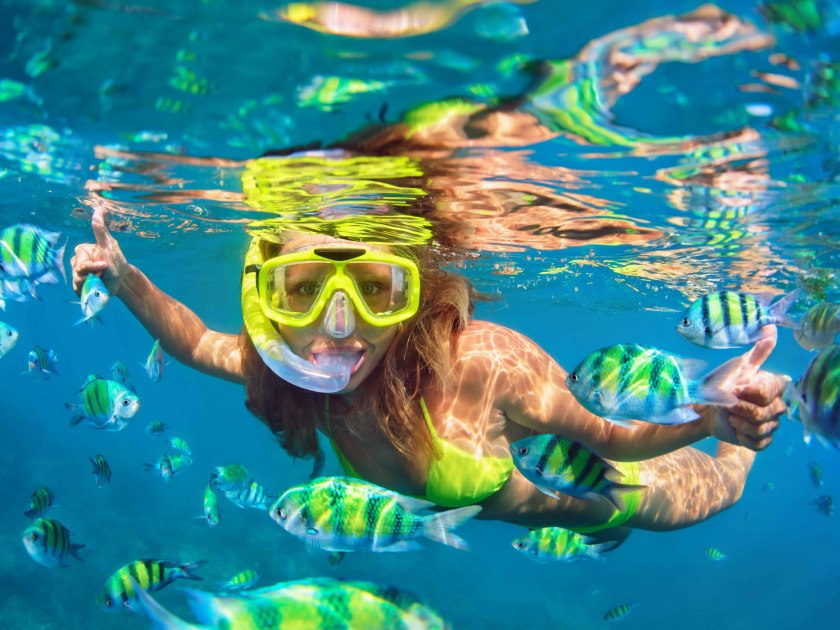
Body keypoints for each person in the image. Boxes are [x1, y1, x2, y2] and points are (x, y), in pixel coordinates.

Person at [71, 204, 788, 539]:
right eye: (303, 290)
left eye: (374, 289)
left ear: (412, 297)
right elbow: (197, 344)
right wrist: (125, 278)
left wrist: (712, 418)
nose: (337, 325)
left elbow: (614, 434)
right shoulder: (290, 374)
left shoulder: (482, 364)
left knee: (722, 485)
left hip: (615, 496)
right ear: (268, 299)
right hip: (536, 516)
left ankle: (744, 411)